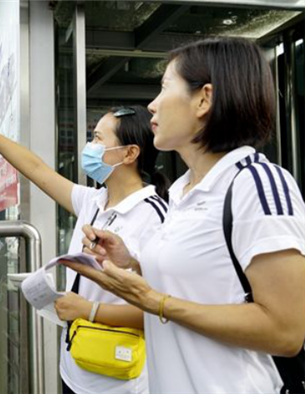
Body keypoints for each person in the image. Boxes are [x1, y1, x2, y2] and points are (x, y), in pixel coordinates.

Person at [65, 37, 305, 394]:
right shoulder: (181, 191)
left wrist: (155, 303)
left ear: (204, 99)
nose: (152, 105)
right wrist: (132, 264)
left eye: (164, 88)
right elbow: (206, 282)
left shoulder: (256, 183)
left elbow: (286, 332)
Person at [0, 98, 169, 394]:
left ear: (129, 153)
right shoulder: (93, 201)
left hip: (120, 380)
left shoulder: (155, 215)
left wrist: (88, 310)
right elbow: (35, 168)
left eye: (98, 139)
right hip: (76, 365)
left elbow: (163, 312)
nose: (90, 147)